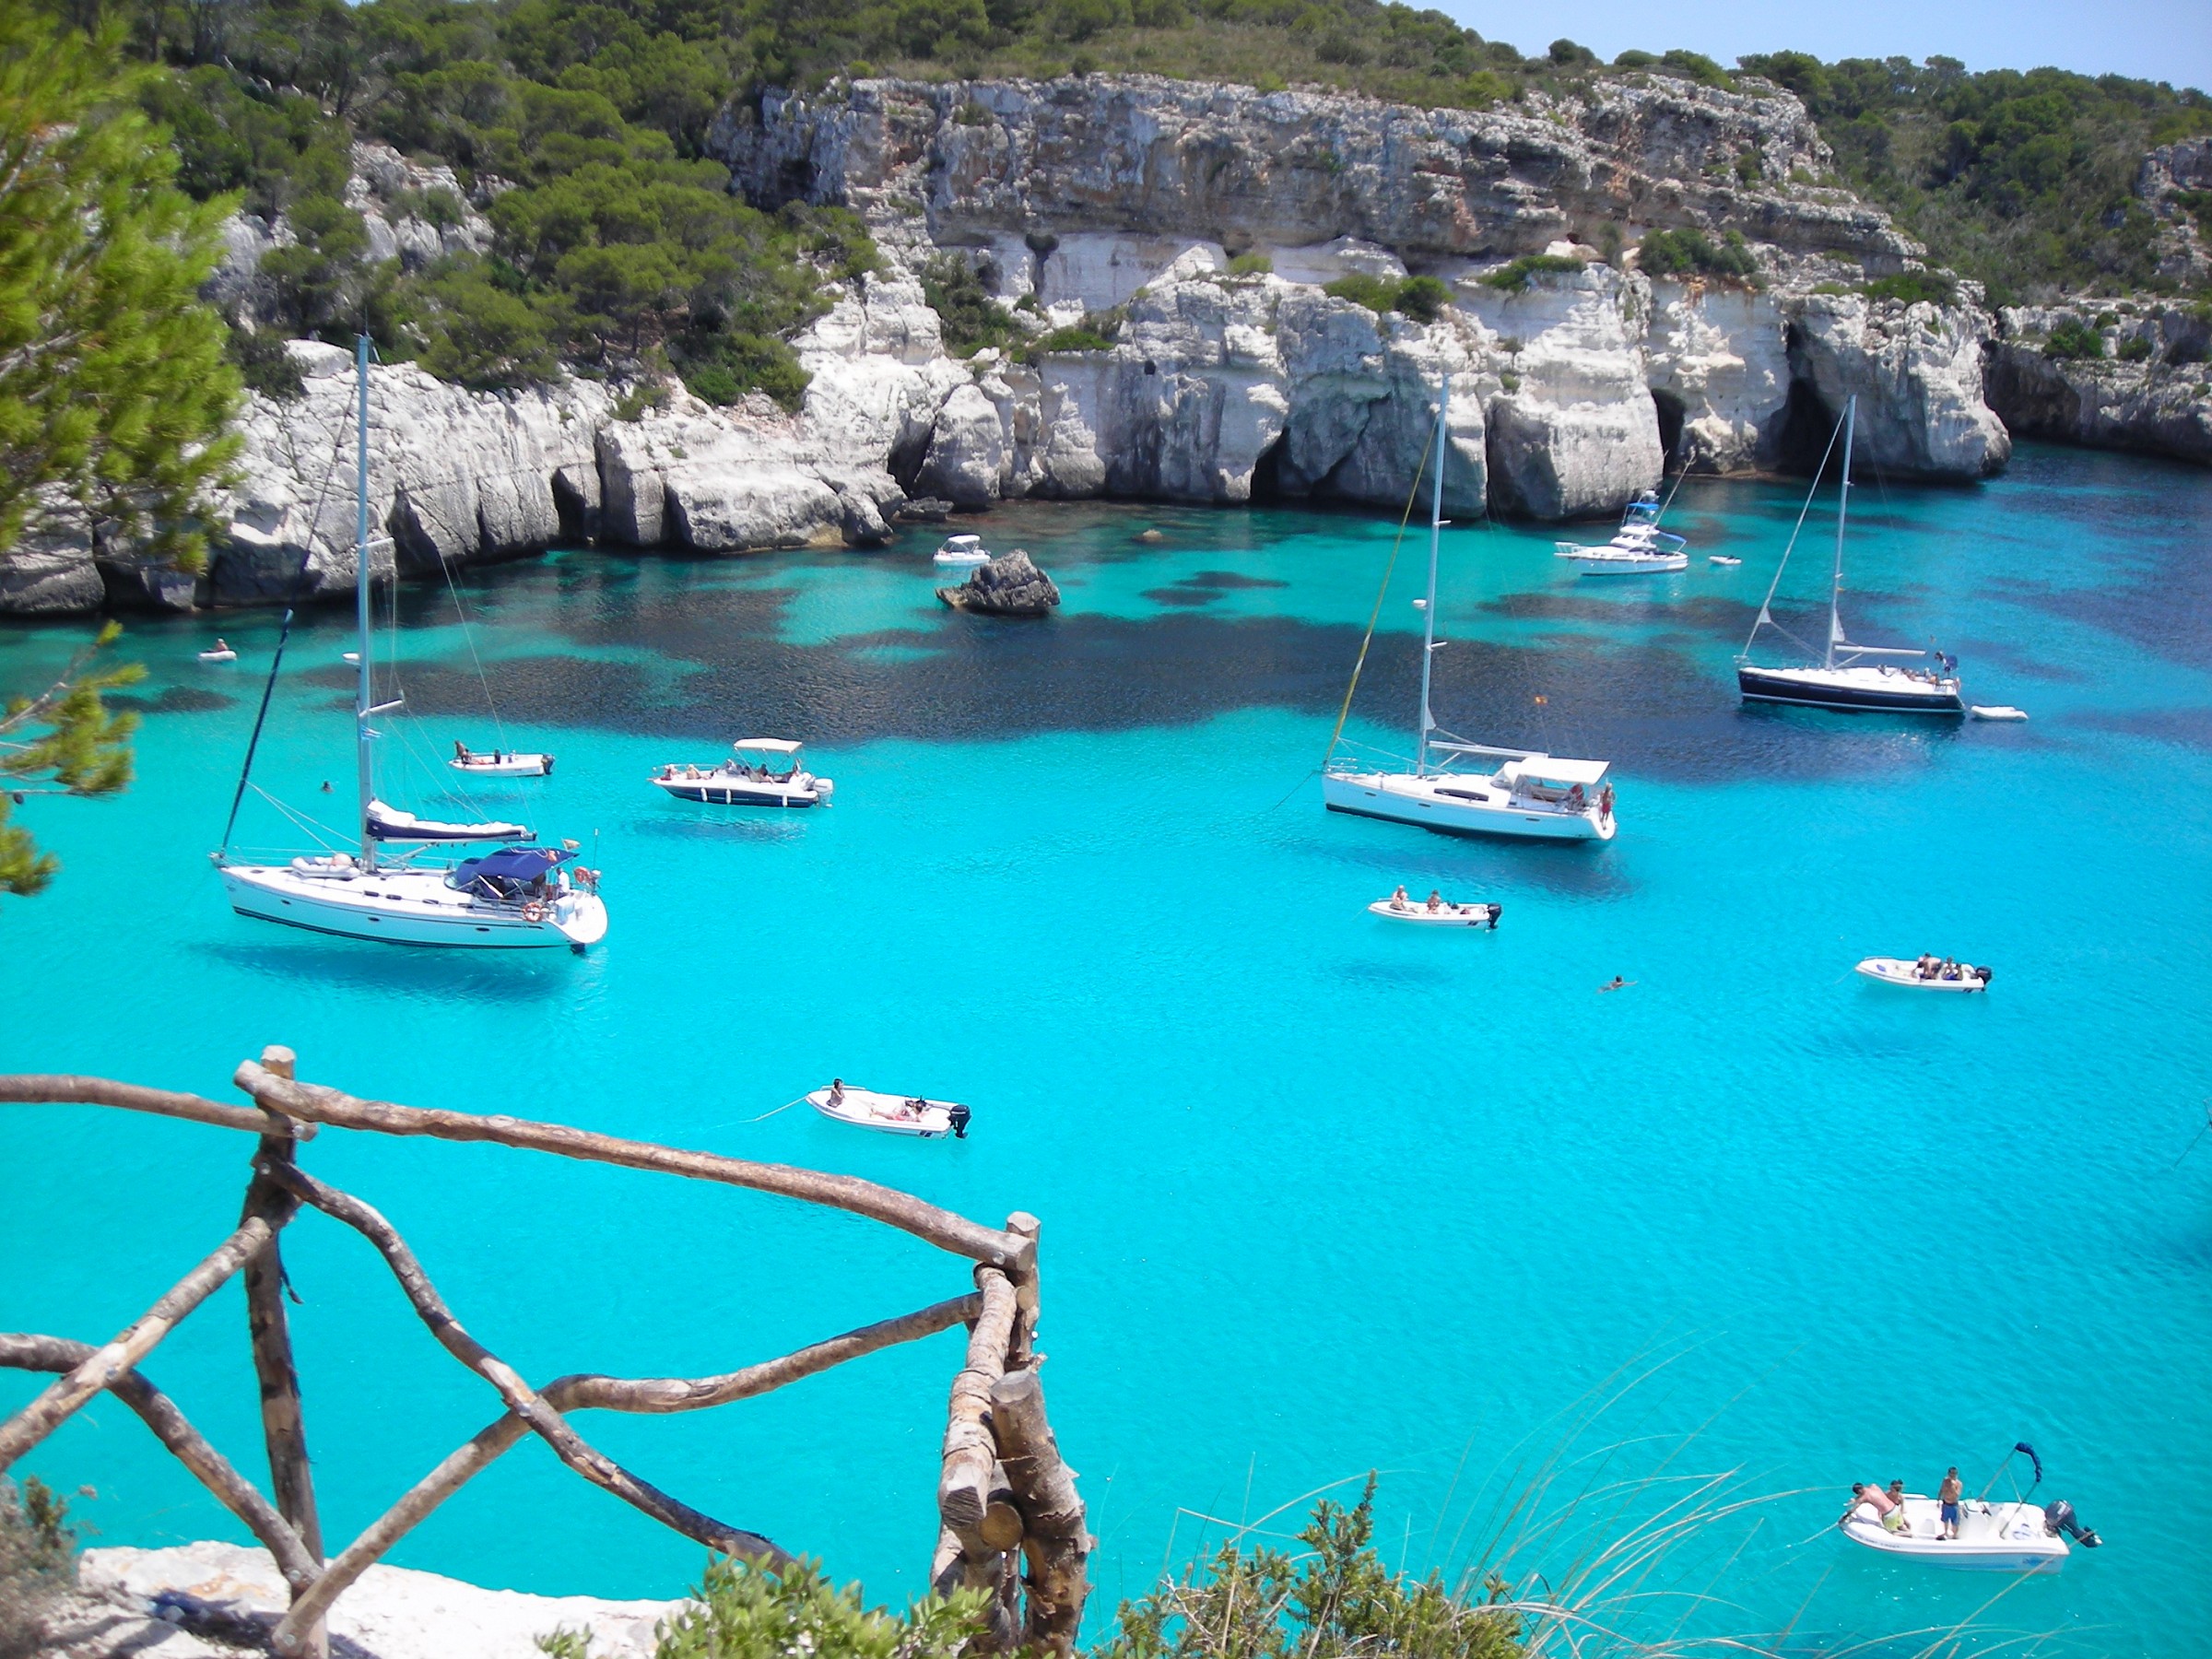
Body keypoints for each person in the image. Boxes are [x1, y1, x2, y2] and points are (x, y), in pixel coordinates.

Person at [1938, 1467, 1963, 1540]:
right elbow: (1941, 1490)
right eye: (1951, 1473)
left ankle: (1955, 1535)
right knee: (1945, 1520)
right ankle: (1945, 1532)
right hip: (1946, 1503)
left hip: (1953, 1505)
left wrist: (1952, 1486)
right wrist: (1938, 1499)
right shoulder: (1945, 1481)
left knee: (1955, 1522)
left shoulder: (1959, 1483)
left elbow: (1957, 1494)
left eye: (1954, 1473)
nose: (1952, 1475)